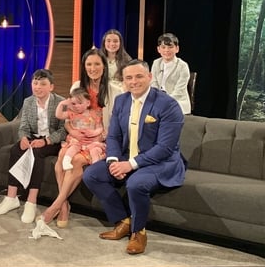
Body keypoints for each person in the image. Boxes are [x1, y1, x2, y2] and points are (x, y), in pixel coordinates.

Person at [82, 59, 186, 255]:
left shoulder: (168, 105)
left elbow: (164, 148)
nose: (133, 81)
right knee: (91, 175)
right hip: (125, 157)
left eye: (139, 76)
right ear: (123, 81)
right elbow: (113, 135)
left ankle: (139, 233)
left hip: (160, 162)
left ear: (149, 77)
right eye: (128, 78)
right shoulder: (122, 100)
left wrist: (130, 165)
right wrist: (113, 160)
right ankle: (123, 221)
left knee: (136, 184)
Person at [38, 48, 121, 229]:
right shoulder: (77, 87)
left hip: (99, 139)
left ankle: (56, 205)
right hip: (77, 136)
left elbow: (115, 124)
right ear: (84, 67)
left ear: (104, 67)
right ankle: (65, 206)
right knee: (60, 159)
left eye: (97, 64)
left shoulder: (115, 90)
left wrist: (99, 135)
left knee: (75, 160)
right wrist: (72, 131)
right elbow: (69, 119)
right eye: (89, 64)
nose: (93, 68)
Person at [0, 69, 66, 223]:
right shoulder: (28, 101)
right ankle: (11, 197)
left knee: (37, 153)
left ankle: (32, 201)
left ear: (51, 87)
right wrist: (24, 138)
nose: (38, 87)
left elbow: (63, 131)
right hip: (34, 137)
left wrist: (46, 141)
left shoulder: (61, 102)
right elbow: (24, 126)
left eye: (42, 84)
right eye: (35, 83)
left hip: (52, 141)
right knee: (16, 149)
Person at [56, 87, 106, 172]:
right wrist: (61, 104)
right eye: (74, 104)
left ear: (87, 103)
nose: (77, 106)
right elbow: (59, 115)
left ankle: (95, 167)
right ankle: (66, 160)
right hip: (77, 140)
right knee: (73, 148)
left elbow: (100, 127)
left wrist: (94, 133)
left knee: (95, 150)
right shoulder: (72, 113)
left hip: (91, 141)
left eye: (80, 103)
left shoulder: (94, 114)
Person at [150, 33, 191, 114]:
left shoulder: (183, 66)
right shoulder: (156, 63)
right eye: (163, 47)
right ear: (158, 49)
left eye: (170, 47)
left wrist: (165, 101)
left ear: (177, 49)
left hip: (177, 102)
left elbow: (179, 91)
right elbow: (153, 83)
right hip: (159, 101)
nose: (166, 50)